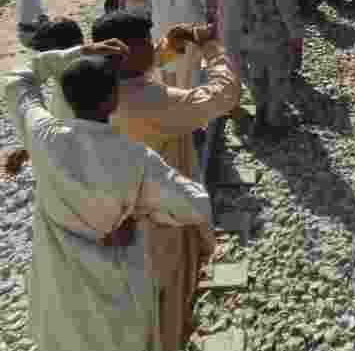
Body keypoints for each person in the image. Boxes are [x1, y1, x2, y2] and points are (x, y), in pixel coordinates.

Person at [3, 41, 213, 351]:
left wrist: (76, 52)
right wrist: (141, 213)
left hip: (57, 290)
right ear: (114, 99)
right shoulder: (134, 158)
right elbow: (196, 205)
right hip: (116, 294)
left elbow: (16, 79)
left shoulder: (43, 135)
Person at [92, 12, 240, 351]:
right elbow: (223, 94)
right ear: (127, 50)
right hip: (160, 224)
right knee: (169, 305)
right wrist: (211, 49)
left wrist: (168, 49)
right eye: (146, 42)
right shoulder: (149, 102)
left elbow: (140, 64)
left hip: (120, 218)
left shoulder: (95, 86)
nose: (152, 47)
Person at [238, 0, 303, 135]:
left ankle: (260, 117)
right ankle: (275, 122)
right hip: (274, 30)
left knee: (257, 76)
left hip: (251, 29)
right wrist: (295, 33)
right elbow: (285, 1)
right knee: (277, 77)